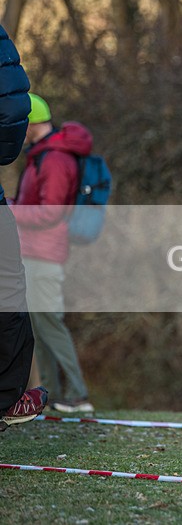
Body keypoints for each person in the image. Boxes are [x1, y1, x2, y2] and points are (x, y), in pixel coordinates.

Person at [9, 93, 95, 414]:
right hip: (33, 252)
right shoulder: (41, 155)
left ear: (30, 123)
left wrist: (11, 211)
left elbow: (51, 213)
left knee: (49, 324)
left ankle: (78, 395)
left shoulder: (55, 159)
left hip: (44, 255)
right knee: (37, 327)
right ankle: (51, 395)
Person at [0, 23, 48, 431]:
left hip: (48, 251)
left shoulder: (53, 159)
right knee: (9, 292)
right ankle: (6, 397)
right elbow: (11, 107)